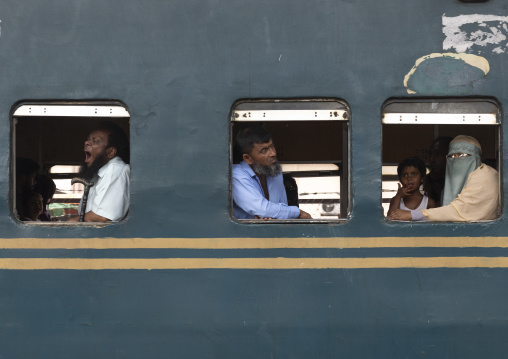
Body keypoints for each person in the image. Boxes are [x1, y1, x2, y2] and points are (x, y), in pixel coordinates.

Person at [388, 135, 499, 222]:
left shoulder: (486, 176)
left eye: (462, 156)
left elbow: (458, 211)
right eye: (451, 156)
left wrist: (412, 215)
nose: (455, 161)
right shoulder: (449, 186)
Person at [232, 126, 312, 220]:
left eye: (272, 146)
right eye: (264, 150)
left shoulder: (275, 172)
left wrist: (273, 215)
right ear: (247, 158)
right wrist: (297, 212)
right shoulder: (236, 175)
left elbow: (281, 209)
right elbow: (262, 209)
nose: (273, 153)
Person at [72, 122, 130, 222]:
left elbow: (101, 217)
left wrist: (70, 222)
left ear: (111, 152)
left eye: (96, 141)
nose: (87, 143)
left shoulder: (115, 170)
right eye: (88, 139)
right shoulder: (98, 174)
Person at [423, 136, 452, 206]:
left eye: (437, 154)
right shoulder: (425, 182)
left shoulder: (462, 181)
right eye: (430, 155)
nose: (432, 159)